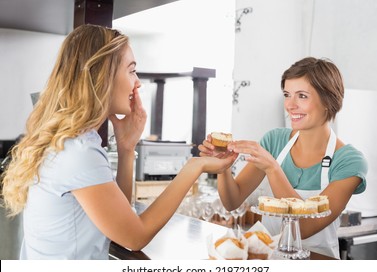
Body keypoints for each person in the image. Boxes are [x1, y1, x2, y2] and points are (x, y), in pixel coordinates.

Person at [0, 24, 237, 260]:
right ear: (102, 75)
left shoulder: (70, 142)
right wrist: (194, 166)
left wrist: (126, 148)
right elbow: (134, 237)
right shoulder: (79, 153)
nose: (138, 82)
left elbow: (118, 223)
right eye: (131, 70)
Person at [199, 57, 368, 259]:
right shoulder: (275, 141)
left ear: (327, 101)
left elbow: (304, 228)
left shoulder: (349, 161)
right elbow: (232, 201)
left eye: (302, 96)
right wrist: (223, 167)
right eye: (287, 94)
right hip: (269, 259)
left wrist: (273, 169)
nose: (290, 105)